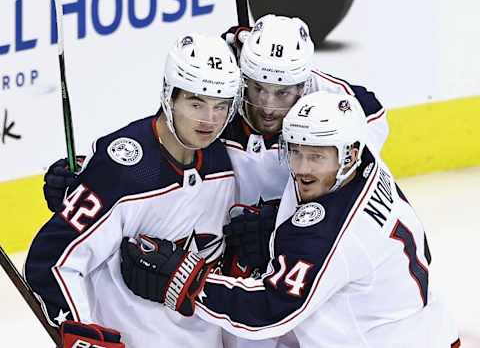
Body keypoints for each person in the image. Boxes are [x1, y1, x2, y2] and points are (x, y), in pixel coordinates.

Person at [119, 92, 460, 348]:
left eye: (316, 157)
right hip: (424, 329)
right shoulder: (367, 165)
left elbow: (271, 311)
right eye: (296, 152)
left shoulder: (330, 234)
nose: (302, 169)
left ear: (349, 154)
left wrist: (186, 282)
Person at [24, 33, 241, 348]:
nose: (210, 120)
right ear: (169, 96)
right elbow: (51, 262)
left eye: (221, 106)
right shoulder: (123, 170)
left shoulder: (223, 161)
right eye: (196, 103)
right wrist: (84, 336)